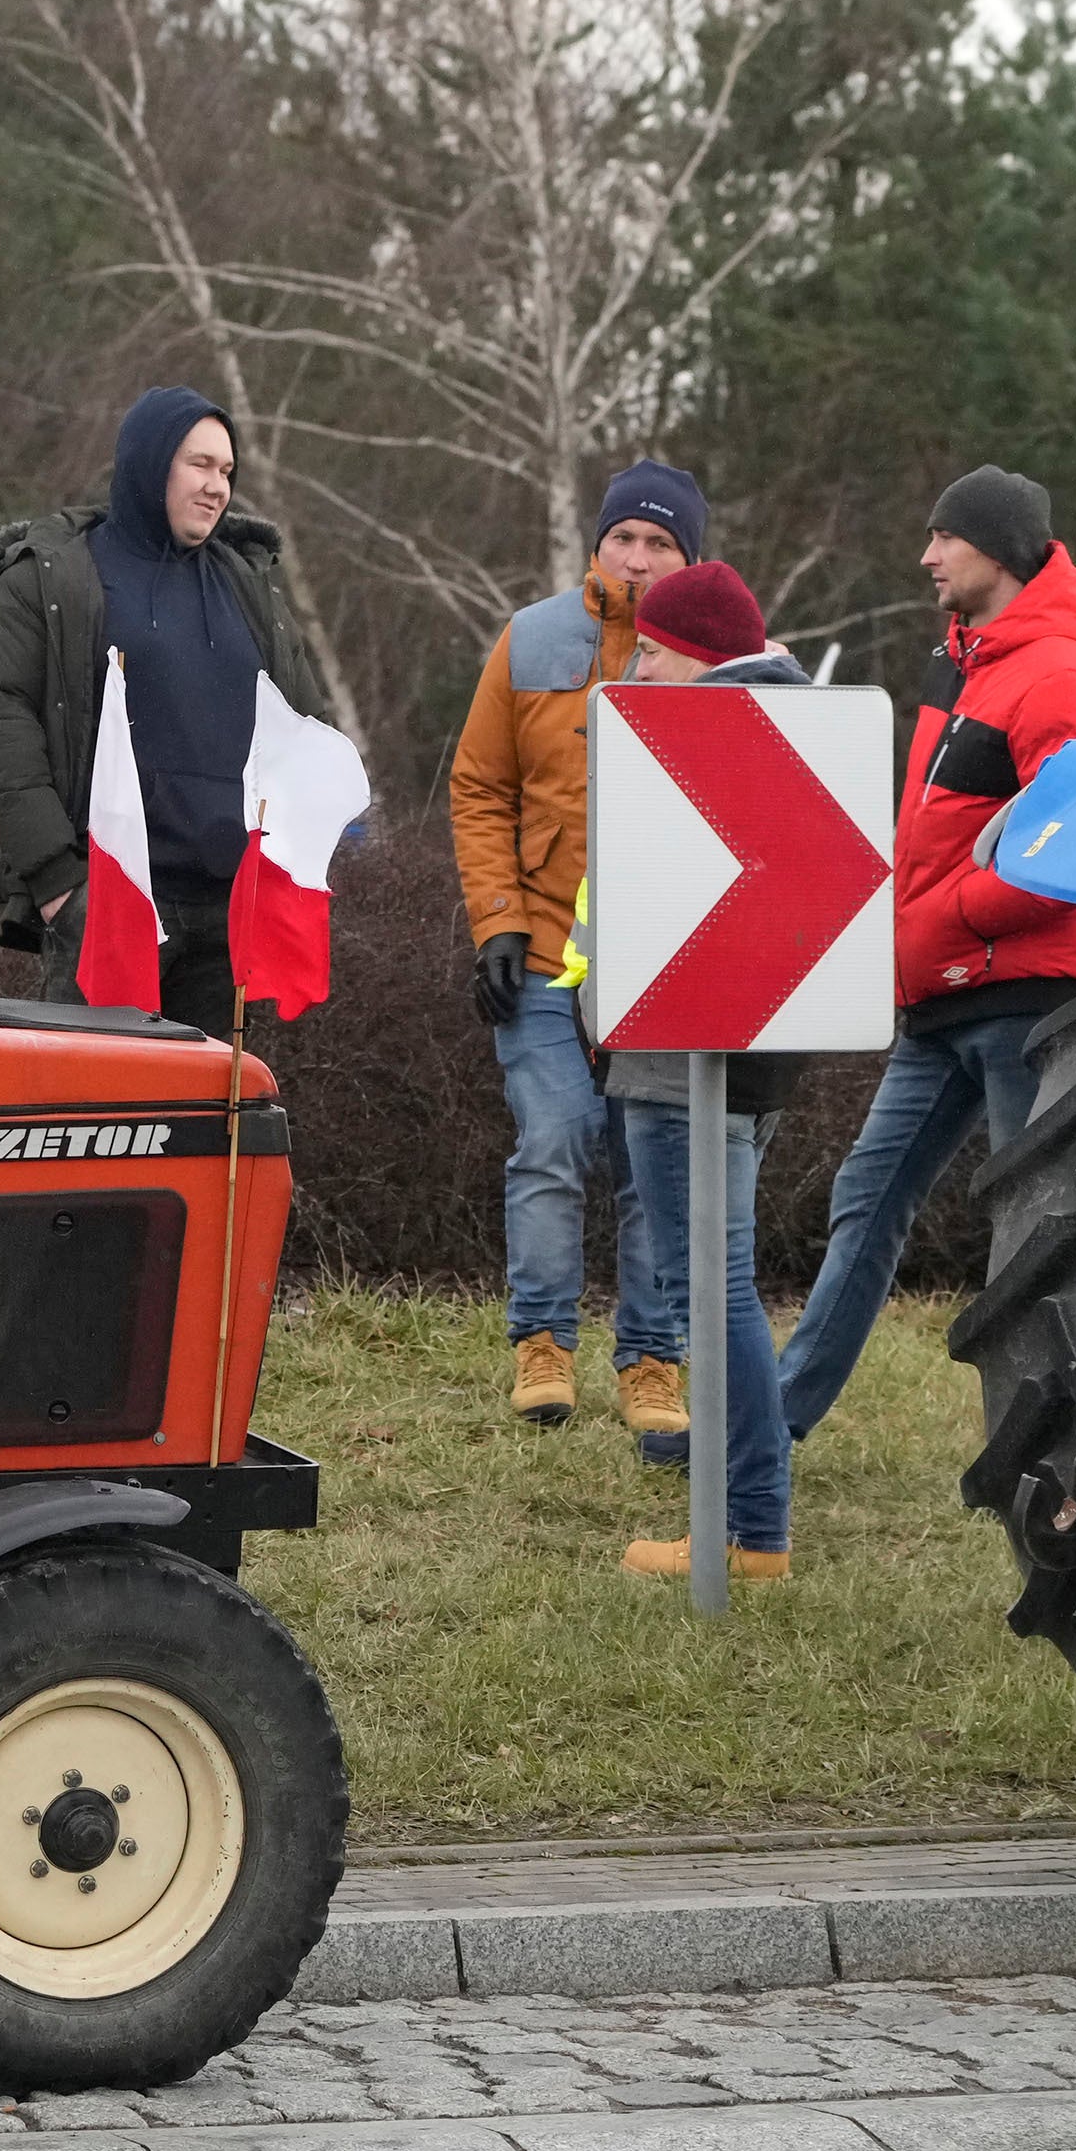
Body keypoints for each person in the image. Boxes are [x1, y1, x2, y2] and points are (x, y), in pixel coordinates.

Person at [772, 466, 1076, 1441]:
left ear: (997, 551)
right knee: (864, 1197)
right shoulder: (968, 664)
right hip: (945, 997)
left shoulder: (1059, 676)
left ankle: (1056, 1449)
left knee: (1032, 1233)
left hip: (1023, 1002)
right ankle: (769, 1426)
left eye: (943, 537)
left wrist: (950, 916)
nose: (926, 555)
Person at [550, 562, 809, 1578]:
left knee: (712, 1288)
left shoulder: (706, 736)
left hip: (680, 1053)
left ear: (699, 650)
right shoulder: (789, 723)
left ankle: (748, 1528)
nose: (639, 663)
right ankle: (752, 1522)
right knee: (720, 1282)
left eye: (653, 646)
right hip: (750, 1055)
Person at [450, 459, 706, 1429]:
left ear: (690, 558)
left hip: (664, 961)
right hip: (551, 949)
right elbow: (478, 788)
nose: (638, 559)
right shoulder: (530, 638)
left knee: (653, 1165)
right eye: (623, 540)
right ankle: (542, 1344)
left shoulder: (715, 661)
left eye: (660, 544)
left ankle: (650, 1359)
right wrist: (498, 924)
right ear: (597, 544)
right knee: (556, 1137)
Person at [0, 387, 314, 1032]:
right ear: (150, 463)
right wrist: (60, 885)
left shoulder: (250, 588)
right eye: (199, 465)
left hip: (231, 917)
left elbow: (307, 734)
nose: (217, 487)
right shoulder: (52, 575)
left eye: (227, 472)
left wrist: (289, 872)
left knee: (209, 1130)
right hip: (111, 910)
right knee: (98, 1123)